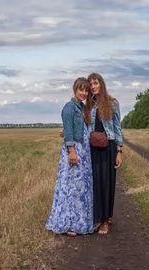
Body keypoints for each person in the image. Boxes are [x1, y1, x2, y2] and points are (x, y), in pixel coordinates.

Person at [45, 77, 94, 236]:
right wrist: (72, 151)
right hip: (75, 151)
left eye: (86, 90)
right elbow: (69, 133)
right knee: (70, 189)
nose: (84, 93)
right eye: (81, 89)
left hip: (83, 152)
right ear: (75, 90)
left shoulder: (81, 108)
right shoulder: (69, 107)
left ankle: (79, 222)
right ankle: (68, 224)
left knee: (80, 189)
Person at [86, 72, 123, 235]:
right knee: (97, 182)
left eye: (95, 83)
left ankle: (106, 218)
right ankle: (100, 219)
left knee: (108, 183)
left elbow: (117, 127)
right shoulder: (87, 105)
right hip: (93, 147)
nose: (93, 86)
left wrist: (119, 151)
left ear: (101, 84)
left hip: (109, 146)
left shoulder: (112, 103)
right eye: (91, 84)